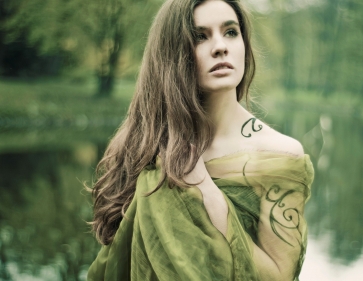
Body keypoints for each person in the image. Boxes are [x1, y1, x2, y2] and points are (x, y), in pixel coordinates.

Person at [87, 0, 314, 280]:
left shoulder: (279, 155)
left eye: (231, 32)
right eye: (200, 36)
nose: (220, 46)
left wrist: (206, 192)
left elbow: (280, 276)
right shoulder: (144, 146)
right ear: (172, 54)